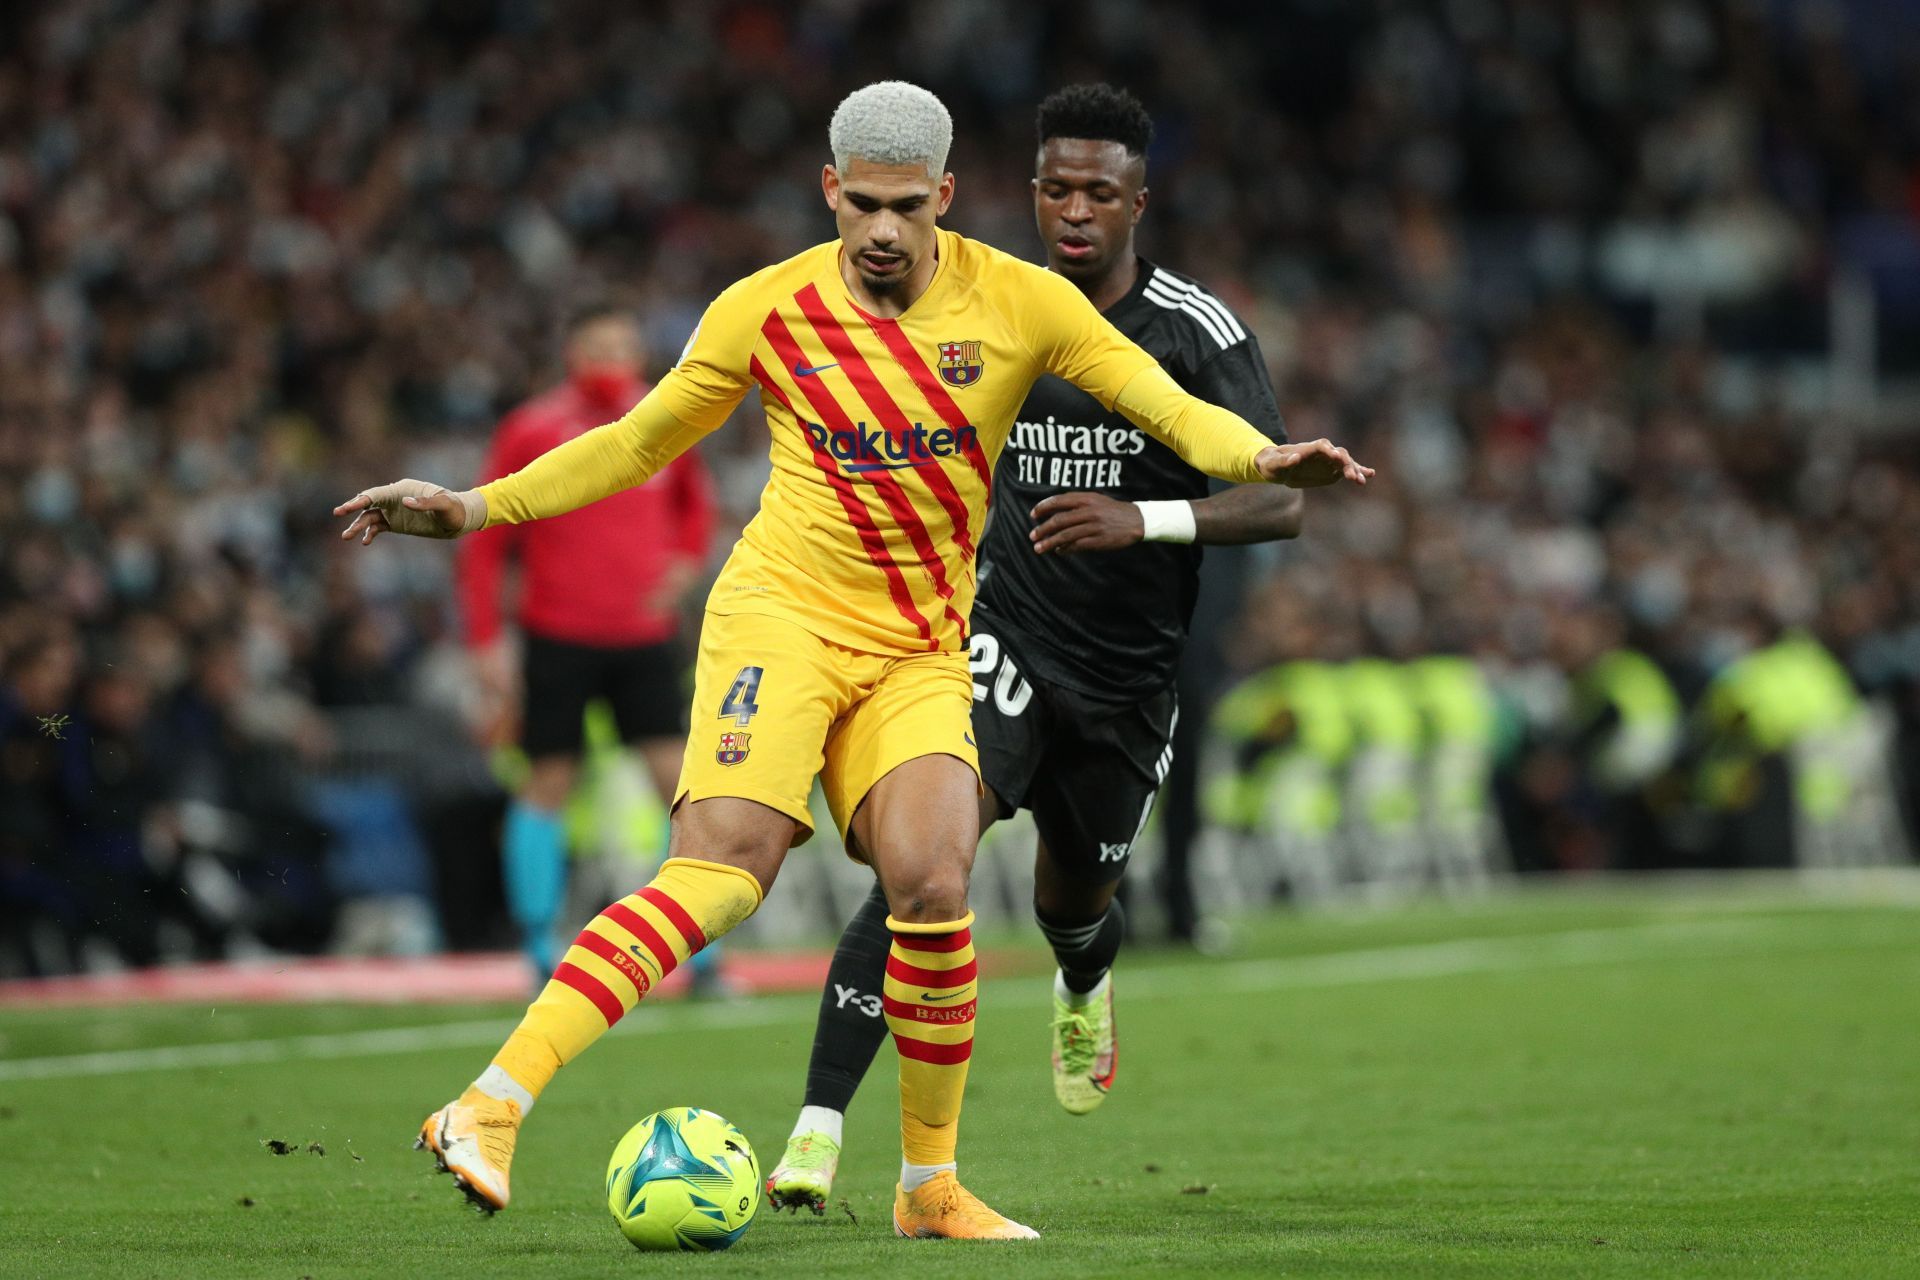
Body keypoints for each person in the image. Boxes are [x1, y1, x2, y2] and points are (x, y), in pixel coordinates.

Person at [333, 80, 1369, 1241]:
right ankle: (489, 1104)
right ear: (830, 190)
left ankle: (928, 1185)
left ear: (947, 197)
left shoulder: (1021, 303)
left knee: (933, 883)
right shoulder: (764, 309)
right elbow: (637, 443)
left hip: (921, 641)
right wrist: (473, 508)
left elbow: (1171, 409)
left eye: (906, 207)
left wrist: (1268, 451)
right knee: (726, 874)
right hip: (782, 620)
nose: (882, 230)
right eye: (862, 204)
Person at [766, 83, 1308, 1214]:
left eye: (1098, 191)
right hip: (996, 643)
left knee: (1076, 897)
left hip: (1127, 683)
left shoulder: (1197, 331)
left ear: (1138, 202)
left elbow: (1277, 500)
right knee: (929, 871)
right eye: (1055, 187)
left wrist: (1144, 517)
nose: (1074, 210)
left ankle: (1082, 969)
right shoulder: (980, 303)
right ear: (1026, 193)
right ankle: (817, 1128)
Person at [453, 305, 715, 984]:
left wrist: (685, 561)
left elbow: (695, 505)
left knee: (683, 787)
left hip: (643, 636)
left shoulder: (663, 416)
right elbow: (484, 541)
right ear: (571, 353)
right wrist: (485, 640)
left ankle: (701, 947)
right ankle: (539, 944)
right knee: (548, 783)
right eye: (598, 347)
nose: (612, 360)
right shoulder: (532, 429)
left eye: (623, 347)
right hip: (558, 636)